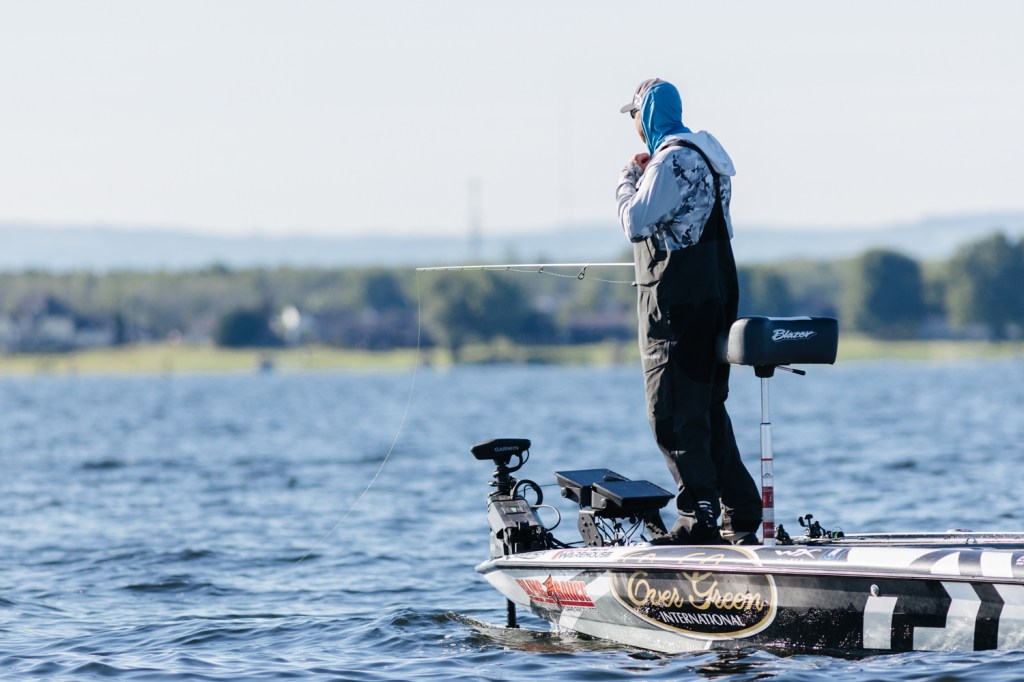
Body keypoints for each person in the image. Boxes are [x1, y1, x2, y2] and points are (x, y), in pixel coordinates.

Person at [615, 78, 761, 545]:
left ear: (645, 116)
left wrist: (628, 178)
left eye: (634, 116)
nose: (635, 125)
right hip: (716, 294)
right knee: (707, 409)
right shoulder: (711, 158)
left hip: (676, 305)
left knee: (673, 413)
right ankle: (741, 511)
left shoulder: (669, 161)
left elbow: (635, 222)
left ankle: (697, 517)